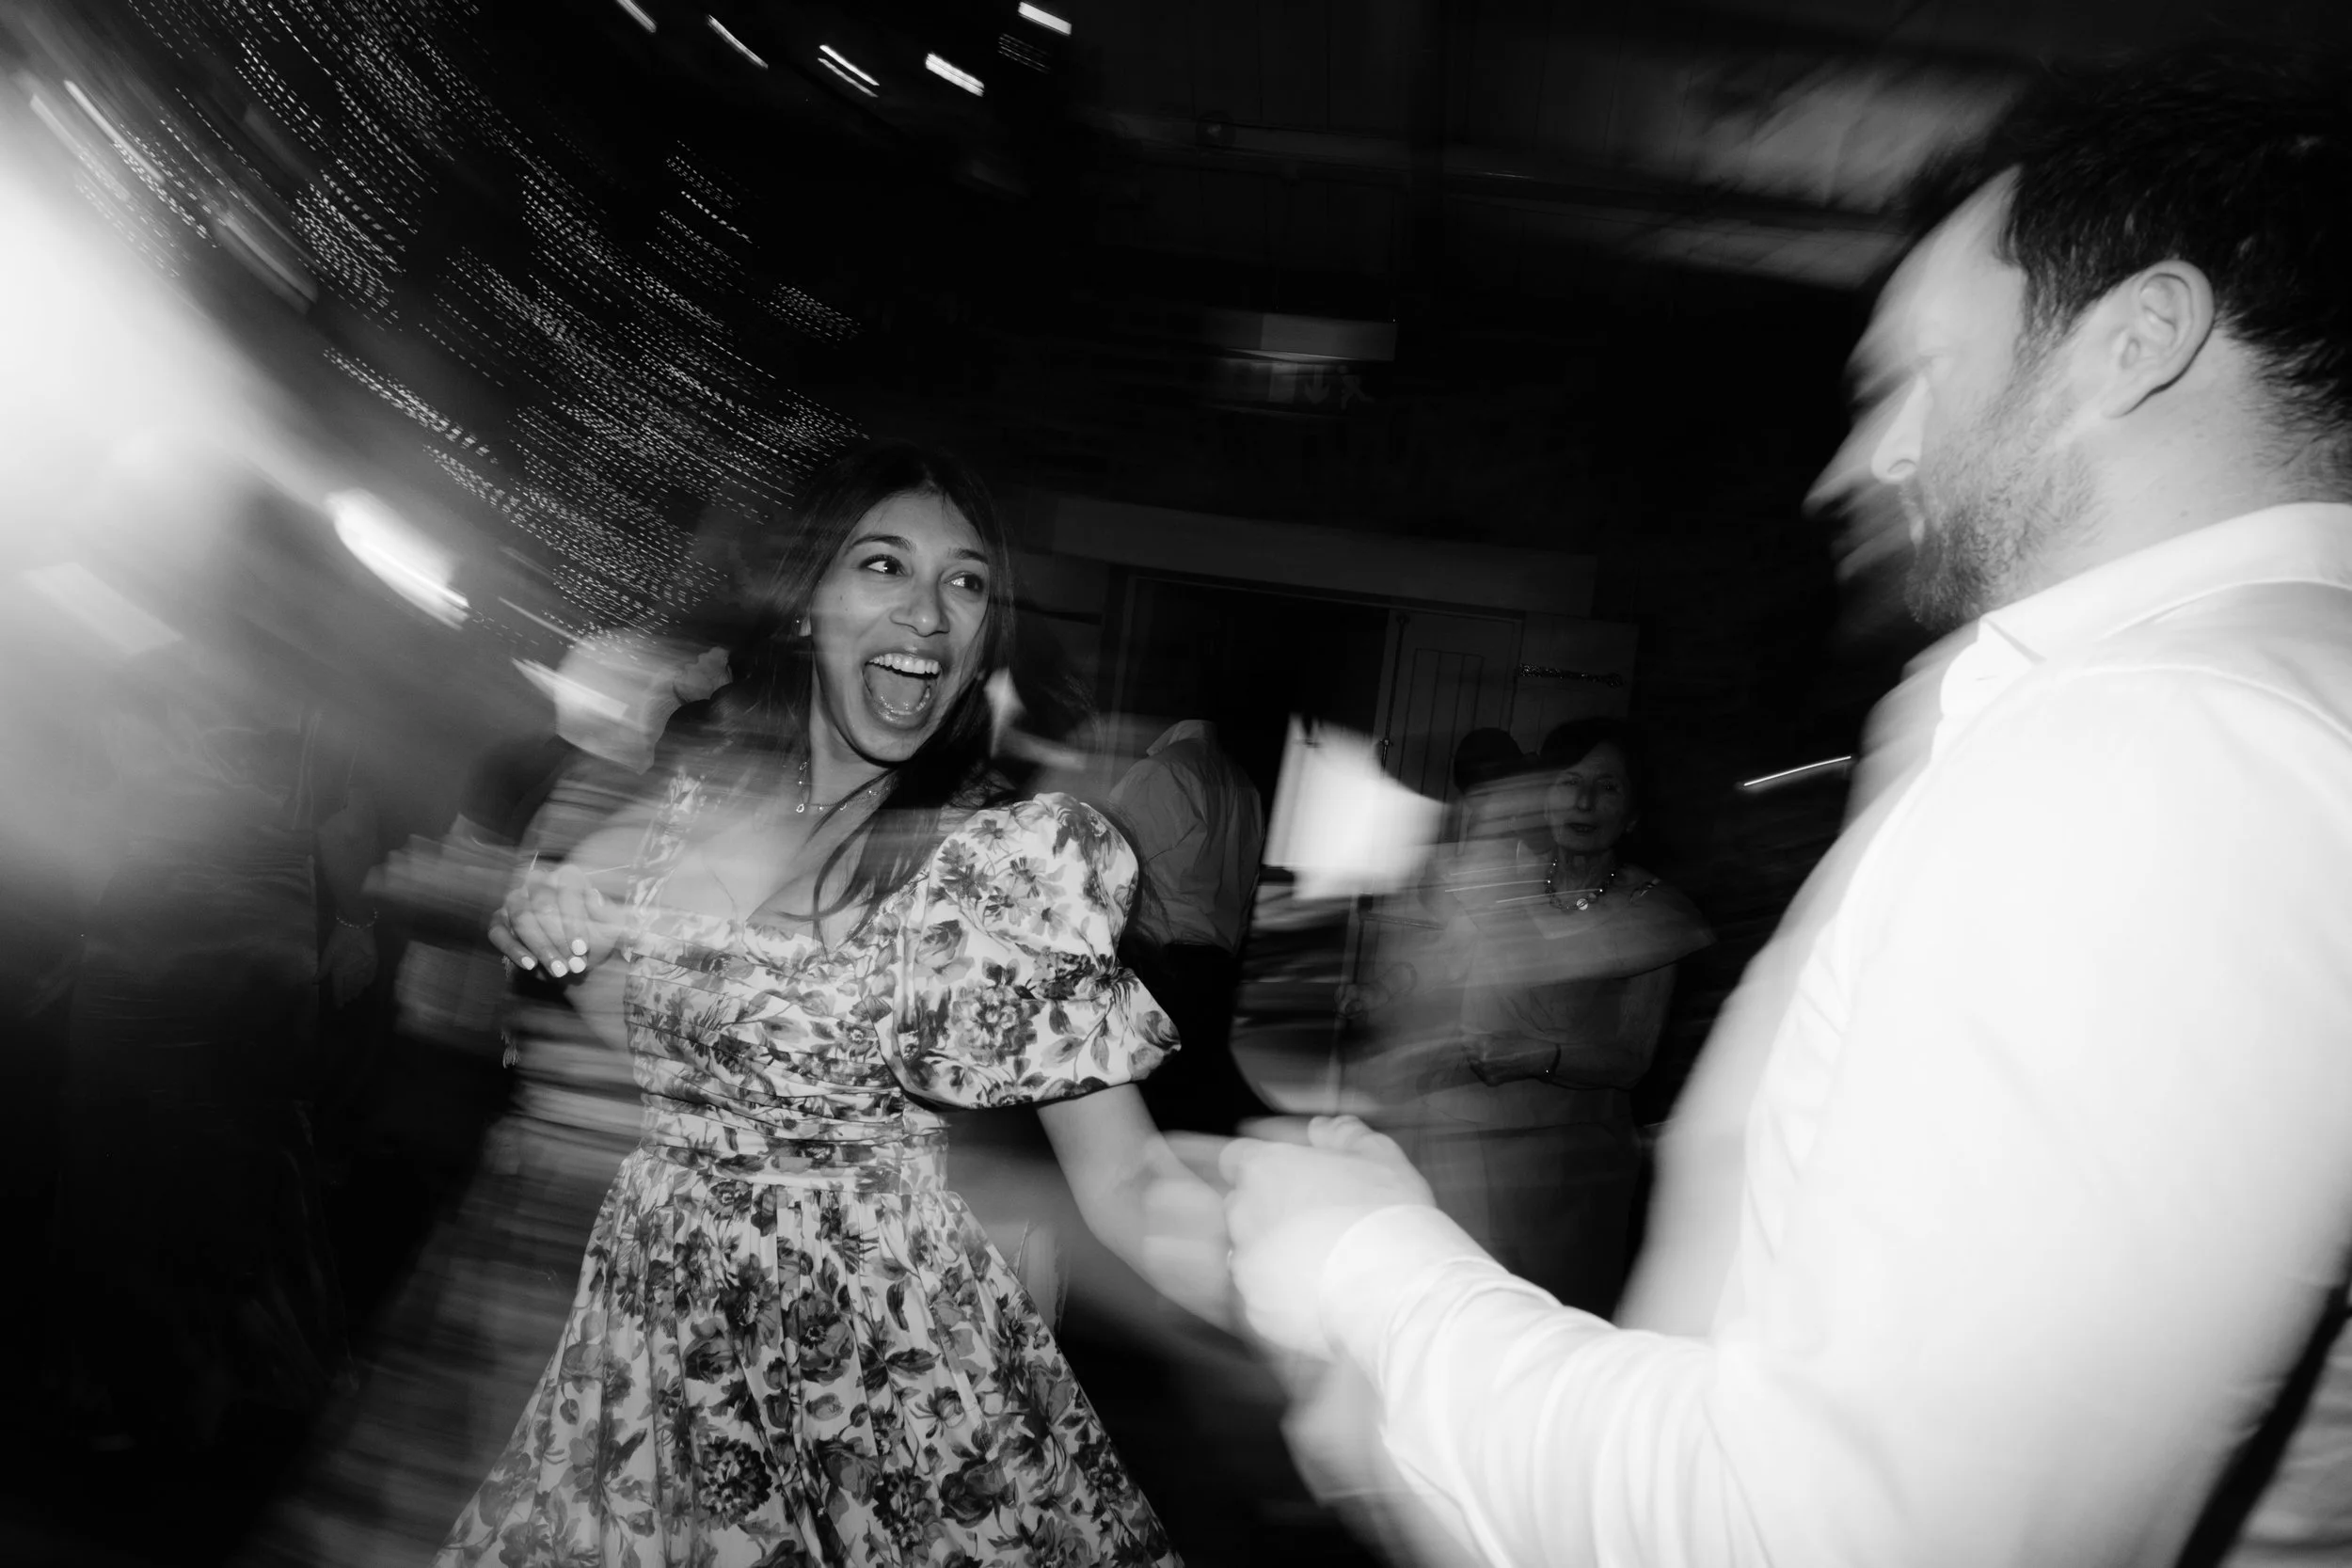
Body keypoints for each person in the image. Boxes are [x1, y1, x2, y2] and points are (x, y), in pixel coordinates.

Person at [1223, 47, 2352, 1568]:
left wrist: (1364, 1271)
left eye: (1914, 378)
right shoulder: (2168, 704)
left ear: (2136, 340)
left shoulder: (2169, 750)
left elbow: (1844, 1534)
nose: (1860, 463)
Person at [439, 442, 1205, 1567]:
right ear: (806, 604)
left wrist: (1335, 1293)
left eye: (964, 582)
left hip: (872, 1384)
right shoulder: (679, 812)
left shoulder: (990, 869)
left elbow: (1127, 1177)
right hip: (655, 1351)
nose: (928, 611)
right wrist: (544, 919)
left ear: (982, 642)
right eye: (883, 563)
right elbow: (644, 1036)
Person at [1369, 719, 1710, 1314]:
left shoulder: (1654, 915)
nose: (1583, 802)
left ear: (1633, 814)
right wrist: (1383, 989)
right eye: (1568, 782)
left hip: (1567, 1176)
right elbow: (1447, 960)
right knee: (1452, 1313)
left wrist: (1536, 1057)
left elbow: (1631, 1060)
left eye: (1606, 786)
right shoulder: (1504, 881)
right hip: (1465, 1147)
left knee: (1542, 1326)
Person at [1106, 718, 1269, 1134]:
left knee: (1144, 1119)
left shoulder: (1162, 772)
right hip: (1217, 973)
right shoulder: (1243, 786)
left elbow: (1106, 864)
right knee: (1190, 1114)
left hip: (1159, 969)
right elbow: (1248, 883)